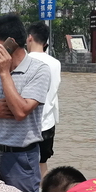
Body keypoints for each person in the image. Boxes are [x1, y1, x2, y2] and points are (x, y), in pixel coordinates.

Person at [0, 14, 50, 192]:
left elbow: (20, 112)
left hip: (21, 158)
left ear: (11, 43)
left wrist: (4, 72)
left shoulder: (39, 70)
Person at [26, 21, 61, 179]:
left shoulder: (23, 61)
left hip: (27, 124)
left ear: (29, 38)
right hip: (48, 123)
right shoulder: (56, 63)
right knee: (42, 164)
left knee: (25, 166)